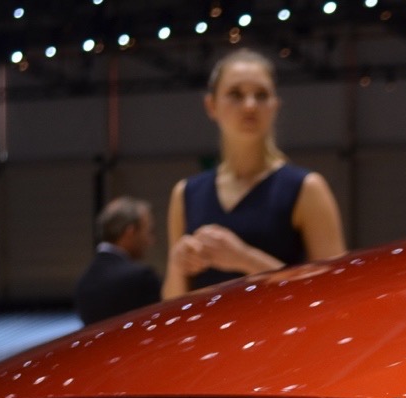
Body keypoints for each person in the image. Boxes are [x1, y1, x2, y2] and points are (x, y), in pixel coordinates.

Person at [164, 49, 345, 298]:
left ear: (275, 106)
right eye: (235, 94)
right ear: (211, 105)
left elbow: (335, 291)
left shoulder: (306, 188)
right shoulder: (185, 193)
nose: (250, 105)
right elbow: (172, 303)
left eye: (261, 95)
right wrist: (177, 265)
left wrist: (244, 259)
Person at [75, 196, 163, 324]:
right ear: (130, 231)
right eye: (148, 232)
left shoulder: (83, 284)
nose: (151, 241)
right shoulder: (141, 278)